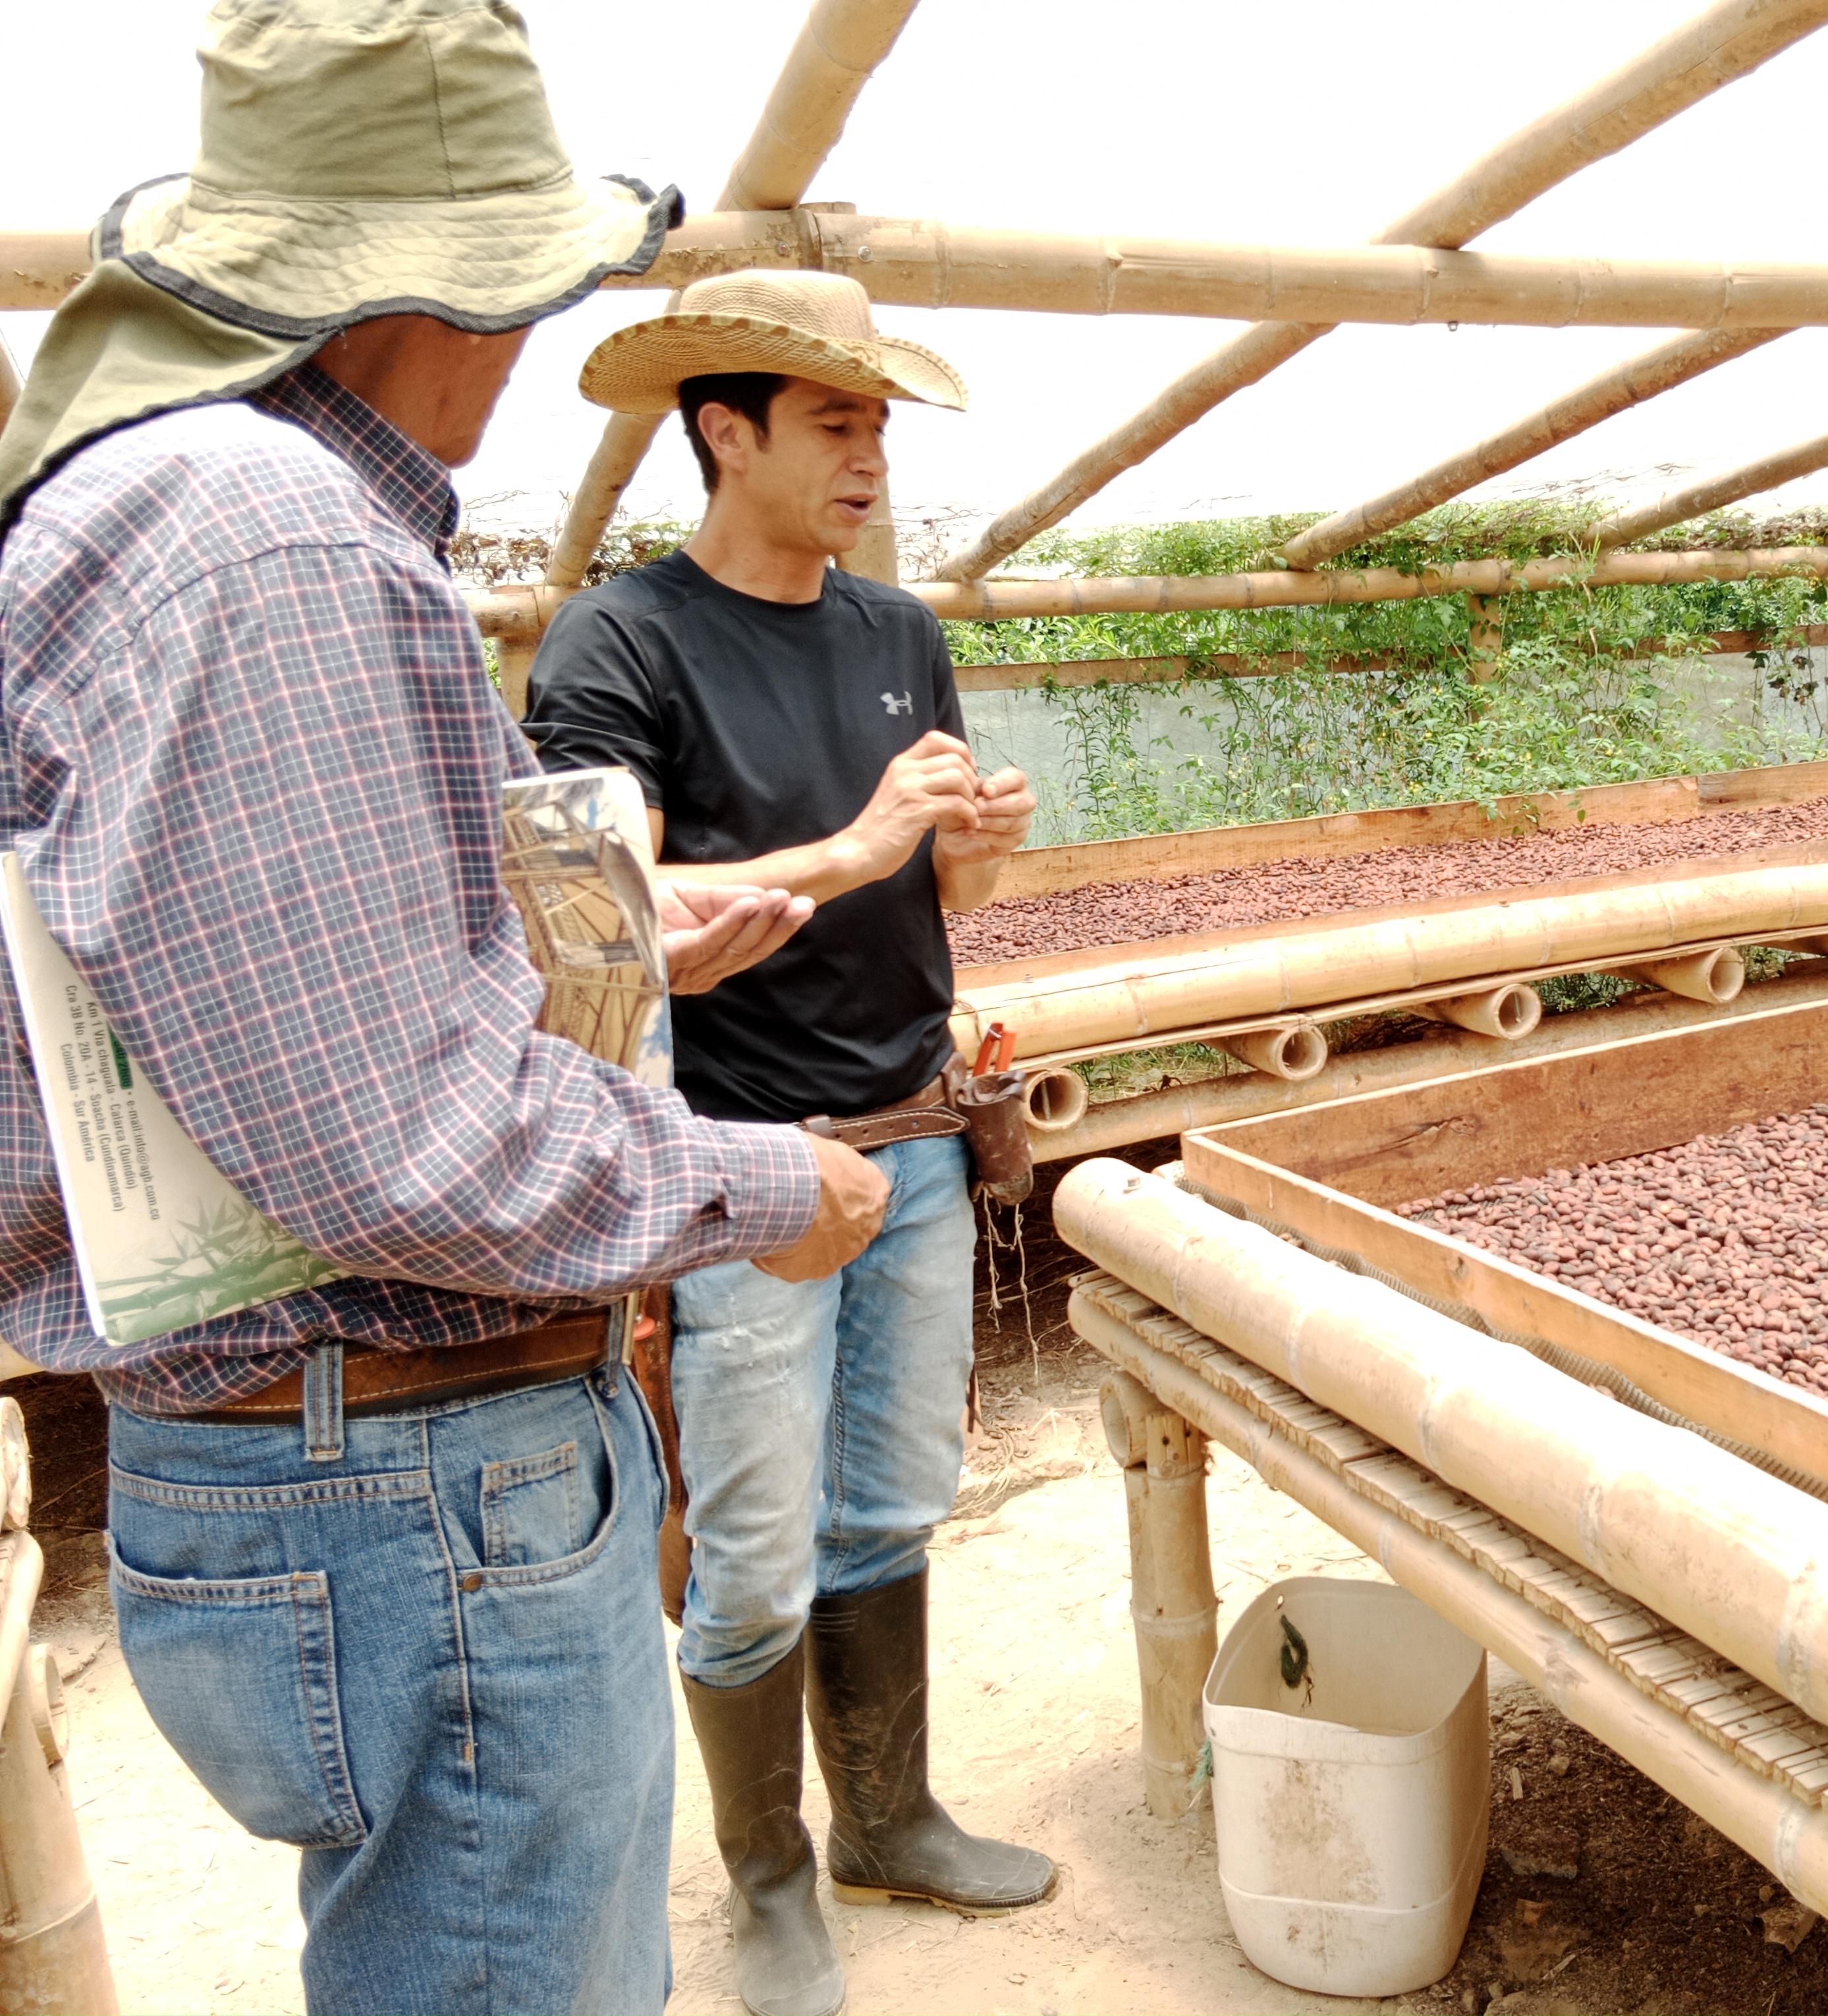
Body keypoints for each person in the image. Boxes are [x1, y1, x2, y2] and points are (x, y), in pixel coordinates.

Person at [0, 7, 894, 2013]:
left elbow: (268, 980)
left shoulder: (177, 502)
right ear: (456, 286)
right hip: (413, 1487)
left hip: (300, 1459)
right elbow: (391, 1135)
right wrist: (765, 1185)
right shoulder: (272, 535)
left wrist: (630, 942)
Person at [522, 269, 1051, 2016]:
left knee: (892, 1497)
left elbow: (939, 889)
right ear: (721, 429)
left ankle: (888, 1815)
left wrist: (967, 844)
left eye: (880, 428)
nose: (868, 460)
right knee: (749, 1539)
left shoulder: (898, 631)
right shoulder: (624, 640)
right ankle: (767, 1877)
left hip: (909, 1130)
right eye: (836, 424)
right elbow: (601, 912)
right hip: (750, 1159)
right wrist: (852, 841)